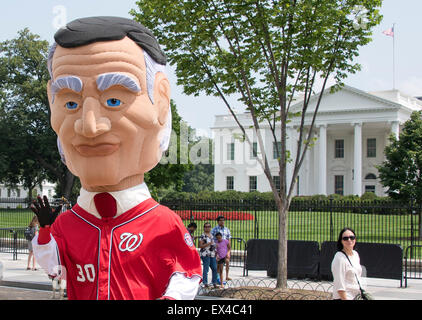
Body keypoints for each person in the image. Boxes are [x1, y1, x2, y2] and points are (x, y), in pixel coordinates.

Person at [30, 16, 201, 300]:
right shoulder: (69, 224)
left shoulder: (163, 223)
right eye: (70, 103)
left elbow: (188, 271)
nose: (90, 126)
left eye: (114, 100)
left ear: (160, 100)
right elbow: (54, 269)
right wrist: (46, 231)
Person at [331, 227, 364, 300]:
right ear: (341, 241)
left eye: (352, 237)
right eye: (345, 238)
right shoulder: (339, 258)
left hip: (356, 296)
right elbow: (339, 285)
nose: (349, 240)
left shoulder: (355, 254)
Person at [211, 215, 232, 281]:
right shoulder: (214, 229)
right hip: (218, 249)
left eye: (223, 220)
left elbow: (229, 240)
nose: (222, 221)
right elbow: (212, 239)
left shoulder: (227, 229)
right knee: (218, 264)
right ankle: (218, 277)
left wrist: (229, 251)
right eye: (220, 220)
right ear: (218, 221)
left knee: (227, 262)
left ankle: (227, 276)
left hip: (225, 249)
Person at [198, 223, 218, 288]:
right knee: (206, 269)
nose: (207, 228)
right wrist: (208, 244)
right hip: (205, 254)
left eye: (209, 227)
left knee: (215, 268)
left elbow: (213, 245)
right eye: (206, 227)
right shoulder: (203, 236)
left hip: (212, 254)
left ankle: (214, 282)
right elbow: (200, 246)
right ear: (204, 228)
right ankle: (205, 282)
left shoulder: (212, 236)